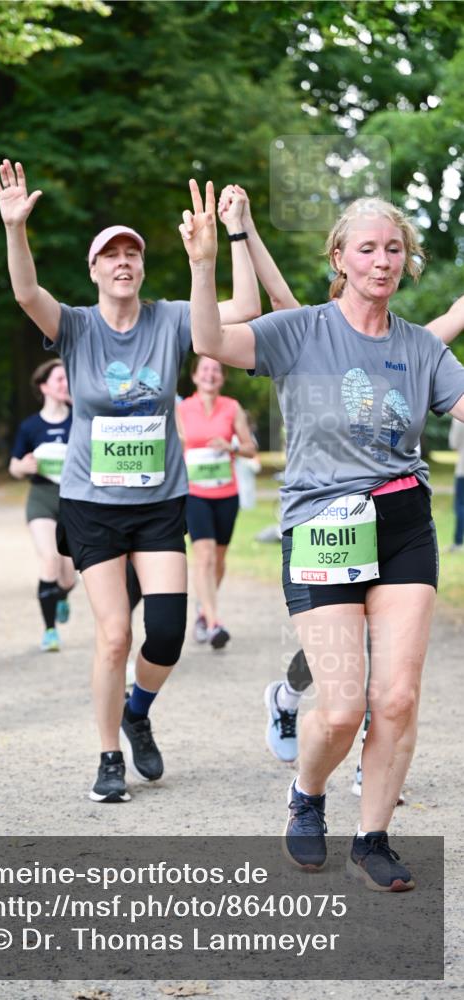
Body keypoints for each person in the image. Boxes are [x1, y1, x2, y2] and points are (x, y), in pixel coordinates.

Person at [181, 180, 464, 890]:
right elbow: (209, 338)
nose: (381, 260)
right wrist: (205, 260)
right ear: (339, 257)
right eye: (366, 248)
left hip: (401, 525)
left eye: (393, 248)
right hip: (320, 528)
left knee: (395, 698)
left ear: (407, 260)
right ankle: (307, 796)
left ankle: (373, 837)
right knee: (339, 708)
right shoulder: (299, 330)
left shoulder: (421, 348)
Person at [0, 160, 260, 802]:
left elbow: (243, 308)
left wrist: (227, 245)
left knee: (166, 632)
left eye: (131, 253)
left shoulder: (169, 321)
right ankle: (109, 753)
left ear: (142, 267)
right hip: (90, 505)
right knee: (115, 633)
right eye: (109, 254)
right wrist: (14, 230)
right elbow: (28, 295)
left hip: (160, 503)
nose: (122, 261)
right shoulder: (77, 327)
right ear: (93, 270)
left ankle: (138, 710)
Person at [176, 356, 257, 649]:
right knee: (205, 556)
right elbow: (173, 447)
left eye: (216, 370)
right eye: (205, 369)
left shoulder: (232, 407)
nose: (210, 374)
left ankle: (203, 609)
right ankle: (213, 623)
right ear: (195, 376)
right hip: (194, 494)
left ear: (221, 378)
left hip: (226, 494)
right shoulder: (181, 409)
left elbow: (250, 449)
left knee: (219, 560)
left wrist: (231, 445)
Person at [9, 360, 76, 652]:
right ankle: (50, 631)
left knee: (69, 577)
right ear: (44, 386)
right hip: (41, 498)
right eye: (59, 379)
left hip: (74, 501)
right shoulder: (30, 426)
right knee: (49, 559)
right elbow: (14, 466)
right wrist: (24, 466)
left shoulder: (80, 419)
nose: (65, 384)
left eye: (67, 379)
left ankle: (61, 595)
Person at [448, 415, 464, 553]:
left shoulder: (459, 415)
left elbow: (454, 443)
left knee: (460, 505)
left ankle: (458, 542)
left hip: (463, 470)